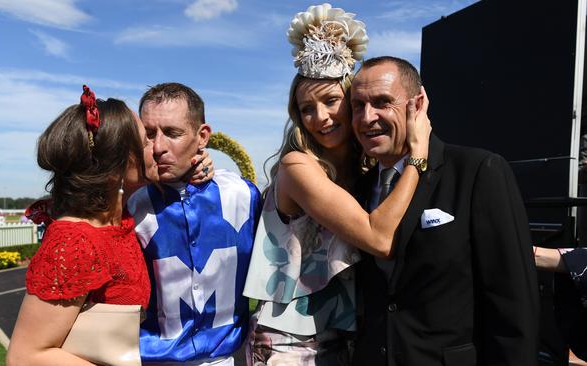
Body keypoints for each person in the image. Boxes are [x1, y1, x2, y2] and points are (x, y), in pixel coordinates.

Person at [242, 4, 431, 365]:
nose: (320, 118)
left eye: (330, 101)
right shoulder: (297, 166)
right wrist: (417, 157)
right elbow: (379, 239)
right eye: (306, 109)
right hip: (288, 341)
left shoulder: (367, 171)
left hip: (346, 337)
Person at [351, 56, 540, 365]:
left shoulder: (477, 171)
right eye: (358, 106)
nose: (367, 117)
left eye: (382, 102)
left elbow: (513, 304)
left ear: (419, 103)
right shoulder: (356, 191)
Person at [6, 86, 212, 366]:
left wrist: (198, 162)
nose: (159, 148)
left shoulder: (121, 219)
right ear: (115, 165)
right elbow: (25, 356)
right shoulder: (74, 242)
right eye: (146, 140)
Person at [127, 82, 262, 365]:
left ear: (202, 137)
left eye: (173, 133)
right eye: (149, 134)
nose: (159, 147)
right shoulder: (130, 204)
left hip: (230, 358)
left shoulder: (244, 195)